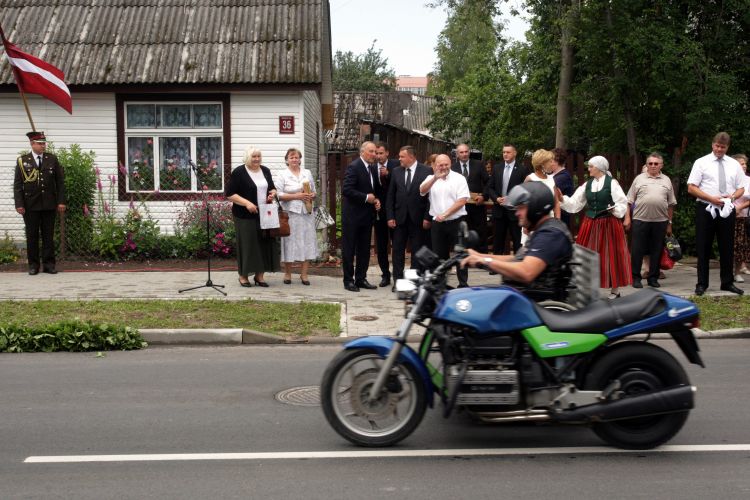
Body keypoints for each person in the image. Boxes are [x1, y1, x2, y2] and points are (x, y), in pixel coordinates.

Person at [462, 182, 573, 296]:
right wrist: (479, 256)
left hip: (534, 299)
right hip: (522, 295)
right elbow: (516, 259)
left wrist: (484, 262)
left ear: (536, 207)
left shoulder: (550, 234)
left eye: (521, 208)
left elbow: (527, 272)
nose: (517, 213)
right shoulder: (544, 229)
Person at [558, 155, 631, 299]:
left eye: (591, 166)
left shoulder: (612, 183)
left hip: (609, 223)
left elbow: (622, 202)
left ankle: (615, 290)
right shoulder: (587, 184)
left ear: (599, 168)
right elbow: (575, 203)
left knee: (611, 255)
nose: (589, 169)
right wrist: (562, 199)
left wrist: (615, 210)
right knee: (585, 254)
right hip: (590, 223)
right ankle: (586, 289)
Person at [687, 132, 745, 296]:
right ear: (713, 144)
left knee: (727, 246)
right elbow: (691, 187)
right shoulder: (701, 162)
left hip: (726, 208)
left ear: (727, 147)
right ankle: (702, 284)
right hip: (706, 208)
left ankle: (727, 282)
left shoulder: (734, 164)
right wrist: (711, 198)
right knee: (703, 246)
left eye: (723, 147)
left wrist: (732, 197)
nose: (719, 149)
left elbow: (741, 188)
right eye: (717, 146)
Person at [225, 146, 280, 287]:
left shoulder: (265, 170)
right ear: (247, 158)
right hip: (245, 215)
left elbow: (272, 188)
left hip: (265, 213)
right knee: (248, 245)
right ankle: (243, 276)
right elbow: (230, 194)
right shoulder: (239, 172)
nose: (257, 159)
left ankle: (259, 276)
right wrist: (247, 203)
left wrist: (273, 194)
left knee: (264, 243)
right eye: (254, 156)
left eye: (258, 156)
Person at [13, 131, 66, 275]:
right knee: (32, 236)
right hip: (30, 205)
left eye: (44, 143)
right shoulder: (23, 160)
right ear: (32, 144)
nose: (43, 146)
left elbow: (60, 182)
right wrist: (19, 204)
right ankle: (33, 265)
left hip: (49, 203)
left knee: (48, 236)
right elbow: (18, 185)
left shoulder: (52, 159)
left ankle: (49, 265)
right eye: (40, 143)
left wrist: (61, 201)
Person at [626, 153, 676, 288]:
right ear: (647, 165)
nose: (653, 166)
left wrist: (669, 223)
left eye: (656, 163)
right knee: (637, 250)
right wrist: (627, 218)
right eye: (650, 163)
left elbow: (671, 204)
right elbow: (629, 201)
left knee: (657, 250)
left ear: (661, 165)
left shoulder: (667, 180)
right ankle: (636, 278)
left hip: (660, 221)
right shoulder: (639, 179)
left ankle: (653, 278)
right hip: (640, 219)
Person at [420, 153, 470, 287]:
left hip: (456, 221)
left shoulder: (459, 178)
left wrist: (445, 214)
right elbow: (422, 190)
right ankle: (440, 285)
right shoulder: (431, 178)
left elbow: (462, 200)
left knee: (460, 254)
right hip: (438, 223)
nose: (443, 167)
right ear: (435, 165)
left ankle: (463, 284)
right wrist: (434, 178)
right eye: (440, 165)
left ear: (450, 164)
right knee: (439, 255)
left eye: (446, 164)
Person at [386, 145, 432, 291]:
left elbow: (430, 197)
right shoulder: (396, 171)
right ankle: (398, 282)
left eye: (402, 156)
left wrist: (427, 217)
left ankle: (412, 283)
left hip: (418, 219)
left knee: (417, 253)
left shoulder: (426, 171)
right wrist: (390, 216)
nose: (399, 159)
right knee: (397, 251)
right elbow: (390, 195)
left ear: (411, 157)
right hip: (399, 219)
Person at [341, 141, 380, 292]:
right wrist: (366, 198)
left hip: (367, 216)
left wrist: (375, 200)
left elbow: (372, 190)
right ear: (362, 152)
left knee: (364, 249)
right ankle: (348, 280)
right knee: (349, 249)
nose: (374, 154)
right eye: (371, 151)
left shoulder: (372, 168)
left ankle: (361, 278)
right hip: (352, 216)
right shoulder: (354, 166)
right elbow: (346, 190)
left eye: (375, 152)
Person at [275, 148, 318, 286]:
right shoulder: (282, 174)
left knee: (307, 241)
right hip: (290, 214)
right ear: (287, 160)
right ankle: (288, 273)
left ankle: (304, 274)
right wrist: (296, 196)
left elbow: (314, 191)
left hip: (306, 212)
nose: (294, 159)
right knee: (290, 242)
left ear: (300, 159)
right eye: (291, 157)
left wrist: (312, 195)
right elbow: (278, 195)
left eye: (296, 157)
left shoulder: (307, 173)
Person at [486, 143, 528, 255]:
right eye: (504, 152)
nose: (505, 154)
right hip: (499, 211)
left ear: (515, 153)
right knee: (498, 241)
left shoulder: (522, 169)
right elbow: (490, 187)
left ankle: (518, 263)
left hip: (515, 212)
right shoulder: (497, 168)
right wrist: (496, 198)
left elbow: (525, 190)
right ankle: (496, 263)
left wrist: (512, 198)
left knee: (517, 241)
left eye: (508, 152)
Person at [452, 143, 489, 252]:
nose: (464, 154)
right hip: (460, 207)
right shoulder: (452, 168)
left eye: (466, 151)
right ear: (457, 154)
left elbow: (488, 182)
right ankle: (464, 256)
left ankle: (481, 256)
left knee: (480, 233)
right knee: (462, 233)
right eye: (461, 152)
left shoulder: (479, 164)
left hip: (477, 206)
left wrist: (484, 196)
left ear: (469, 152)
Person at [373, 142, 399, 287]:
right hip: (379, 212)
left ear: (387, 153)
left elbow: (400, 185)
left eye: (381, 153)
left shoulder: (396, 165)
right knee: (382, 246)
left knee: (397, 245)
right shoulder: (371, 167)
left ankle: (397, 275)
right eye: (376, 153)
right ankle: (385, 275)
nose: (378, 156)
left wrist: (388, 175)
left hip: (394, 211)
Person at [730, 154, 750, 283]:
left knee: (740, 246)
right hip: (728, 216)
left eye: (745, 163)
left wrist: (740, 207)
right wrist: (732, 208)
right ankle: (726, 272)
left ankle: (737, 272)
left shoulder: (748, 180)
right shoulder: (729, 179)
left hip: (743, 218)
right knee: (728, 245)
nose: (744, 166)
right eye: (741, 164)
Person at [550, 148, 574, 226]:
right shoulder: (554, 175)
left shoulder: (563, 177)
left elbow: (548, 191)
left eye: (551, 161)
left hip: (561, 217)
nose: (549, 163)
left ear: (557, 161)